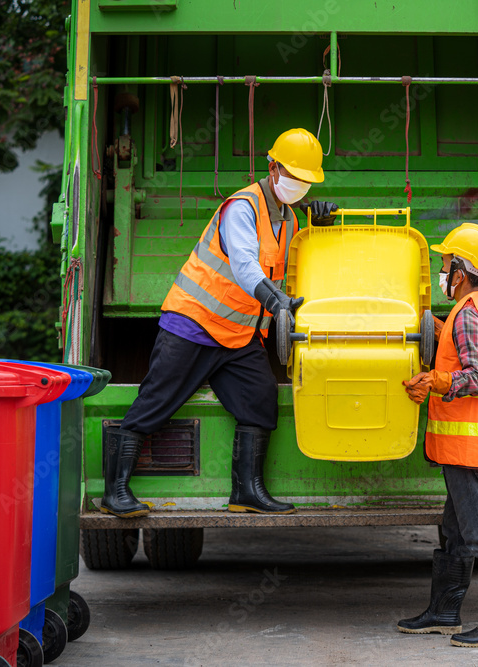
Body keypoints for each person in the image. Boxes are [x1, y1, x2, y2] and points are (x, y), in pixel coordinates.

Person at [101, 128, 338, 518]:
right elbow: (245, 264)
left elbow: (294, 267)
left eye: (306, 181)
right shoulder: (242, 207)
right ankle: (116, 492)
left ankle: (247, 492)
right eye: (293, 176)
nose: (298, 186)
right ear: (273, 167)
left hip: (238, 335)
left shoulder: (291, 221)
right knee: (155, 403)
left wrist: (321, 230)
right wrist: (272, 299)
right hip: (194, 324)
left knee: (261, 398)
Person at [399, 223, 478, 648]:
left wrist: (436, 380)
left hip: (472, 448)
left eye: (446, 263)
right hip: (469, 448)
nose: (442, 269)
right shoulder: (476, 307)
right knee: (455, 529)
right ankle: (443, 612)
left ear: (462, 270)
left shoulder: (469, 313)